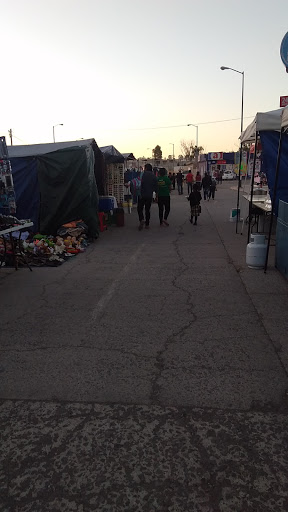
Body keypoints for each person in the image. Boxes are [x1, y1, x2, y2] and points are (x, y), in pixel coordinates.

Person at [137, 163, 158, 230]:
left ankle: (142, 219)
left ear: (145, 168)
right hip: (149, 195)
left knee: (139, 208)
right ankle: (147, 224)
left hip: (142, 194)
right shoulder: (154, 176)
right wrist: (156, 196)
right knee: (147, 210)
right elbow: (156, 187)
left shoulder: (142, 174)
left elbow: (139, 184)